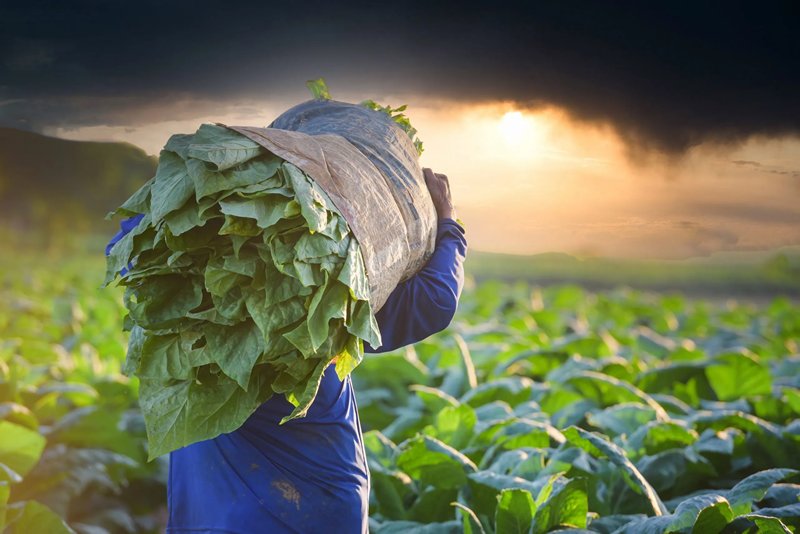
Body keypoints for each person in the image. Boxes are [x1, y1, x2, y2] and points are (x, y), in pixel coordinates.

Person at [106, 168, 467, 534]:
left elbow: (127, 243)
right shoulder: (322, 301)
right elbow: (436, 300)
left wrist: (206, 176)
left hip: (211, 518)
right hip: (312, 515)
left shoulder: (180, 304)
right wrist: (448, 218)